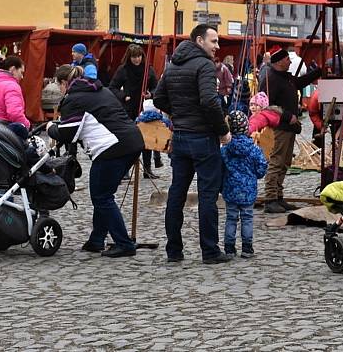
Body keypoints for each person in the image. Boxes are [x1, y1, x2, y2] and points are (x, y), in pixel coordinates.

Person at [153, 24, 232, 264]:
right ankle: (210, 251)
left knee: (177, 193)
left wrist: (178, 113)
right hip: (202, 138)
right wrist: (223, 131)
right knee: (208, 195)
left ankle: (174, 250)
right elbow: (209, 102)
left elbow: (158, 98)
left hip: (180, 137)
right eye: (214, 41)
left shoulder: (173, 64)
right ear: (200, 41)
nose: (217, 47)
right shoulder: (205, 65)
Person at [48, 65, 144, 257]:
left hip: (112, 148)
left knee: (102, 197)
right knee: (104, 195)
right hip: (132, 141)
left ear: (64, 83)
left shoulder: (73, 99)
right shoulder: (100, 89)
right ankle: (97, 240)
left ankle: (124, 243)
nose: (58, 89)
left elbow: (68, 133)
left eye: (58, 85)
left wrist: (51, 127)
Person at [261, 46, 321, 213]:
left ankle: (278, 196)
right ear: (279, 61)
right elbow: (268, 104)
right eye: (287, 59)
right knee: (276, 161)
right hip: (280, 125)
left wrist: (318, 72)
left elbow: (299, 82)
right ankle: (270, 198)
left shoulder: (285, 77)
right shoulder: (270, 79)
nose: (289, 62)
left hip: (289, 127)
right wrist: (288, 116)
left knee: (285, 162)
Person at [109, 44, 161, 178]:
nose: (137, 59)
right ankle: (125, 170)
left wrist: (151, 94)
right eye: (134, 57)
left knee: (146, 139)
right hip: (128, 108)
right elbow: (113, 87)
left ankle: (147, 170)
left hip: (145, 108)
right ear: (129, 57)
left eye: (138, 56)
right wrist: (123, 96)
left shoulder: (148, 70)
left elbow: (156, 87)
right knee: (128, 140)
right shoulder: (123, 70)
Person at [221, 111, 267, 258]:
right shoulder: (254, 150)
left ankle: (229, 249)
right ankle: (247, 248)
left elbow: (219, 168)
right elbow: (261, 169)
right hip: (248, 190)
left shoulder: (225, 150)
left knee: (231, 218)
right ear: (246, 127)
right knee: (247, 218)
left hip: (230, 189)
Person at [0, 55, 30, 128]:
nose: (22, 77)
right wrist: (27, 125)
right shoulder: (11, 85)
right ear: (13, 69)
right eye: (21, 72)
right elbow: (15, 114)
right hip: (5, 130)